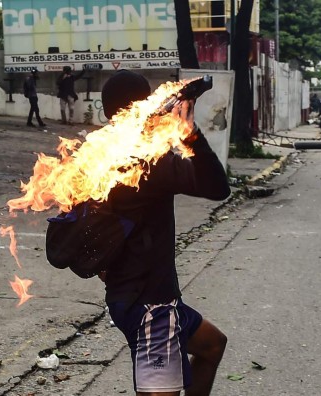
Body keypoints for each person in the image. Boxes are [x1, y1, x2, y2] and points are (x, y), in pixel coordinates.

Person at [101, 70, 231, 395]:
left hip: (126, 296)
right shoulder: (151, 162)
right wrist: (189, 132)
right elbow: (218, 187)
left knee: (212, 345)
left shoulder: (100, 157)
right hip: (153, 311)